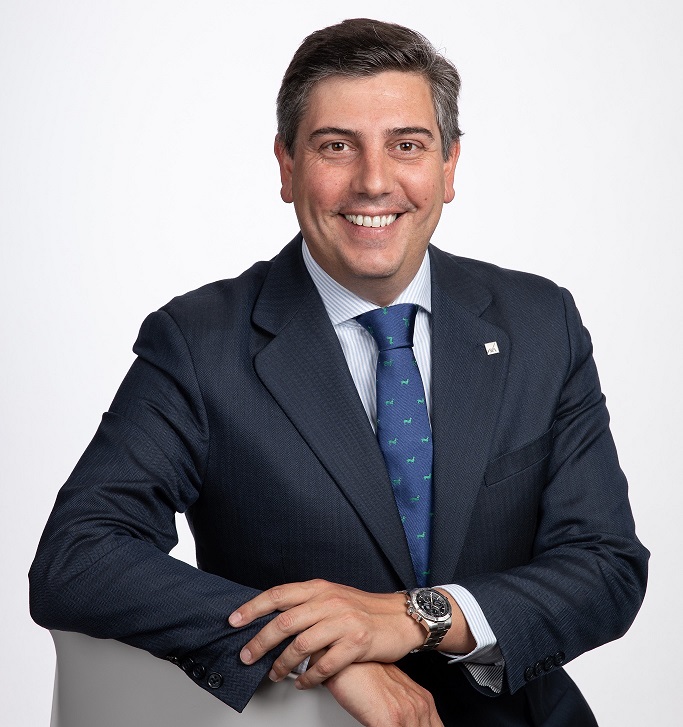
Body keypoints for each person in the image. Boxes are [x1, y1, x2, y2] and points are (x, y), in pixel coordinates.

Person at [29, 18, 648, 727]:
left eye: (406, 145)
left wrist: (413, 617)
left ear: (448, 166)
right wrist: (316, 645)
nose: (374, 182)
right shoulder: (199, 343)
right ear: (286, 165)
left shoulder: (540, 322)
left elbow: (605, 565)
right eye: (335, 146)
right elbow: (78, 558)